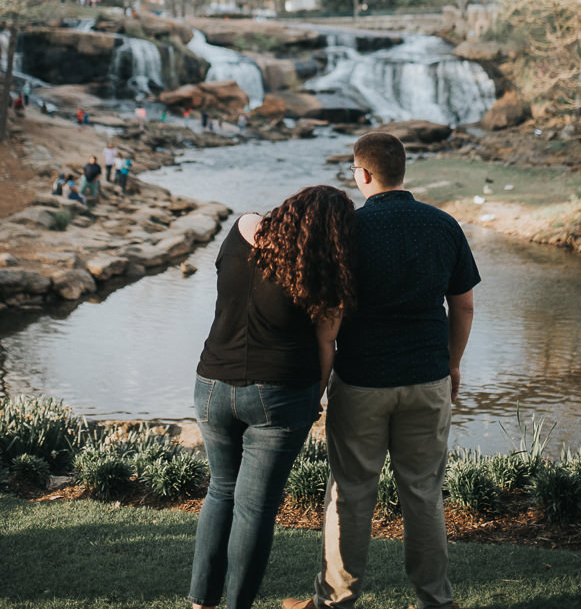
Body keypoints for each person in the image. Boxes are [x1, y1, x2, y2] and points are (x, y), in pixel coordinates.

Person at [283, 132, 479, 609]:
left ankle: (336, 602)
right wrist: (452, 364)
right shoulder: (444, 224)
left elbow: (327, 323)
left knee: (350, 494)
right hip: (427, 379)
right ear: (401, 170)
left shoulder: (346, 229)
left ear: (363, 174)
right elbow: (465, 306)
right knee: (424, 494)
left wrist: (322, 381)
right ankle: (436, 601)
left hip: (362, 382)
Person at [189, 185, 357, 609]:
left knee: (220, 491)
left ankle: (200, 603)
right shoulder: (322, 270)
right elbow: (326, 345)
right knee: (255, 509)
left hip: (211, 385)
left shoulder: (241, 228)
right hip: (279, 394)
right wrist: (314, 400)